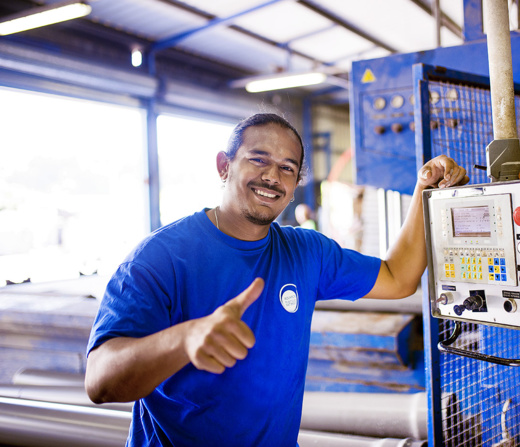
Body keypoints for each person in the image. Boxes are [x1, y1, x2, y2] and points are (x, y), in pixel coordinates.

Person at [85, 113, 468, 446]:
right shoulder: (162, 257)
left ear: (296, 183)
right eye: (258, 159)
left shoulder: (307, 252)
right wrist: (185, 339)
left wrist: (424, 192)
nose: (272, 176)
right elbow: (100, 382)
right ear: (224, 166)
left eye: (287, 167)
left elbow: (398, 278)